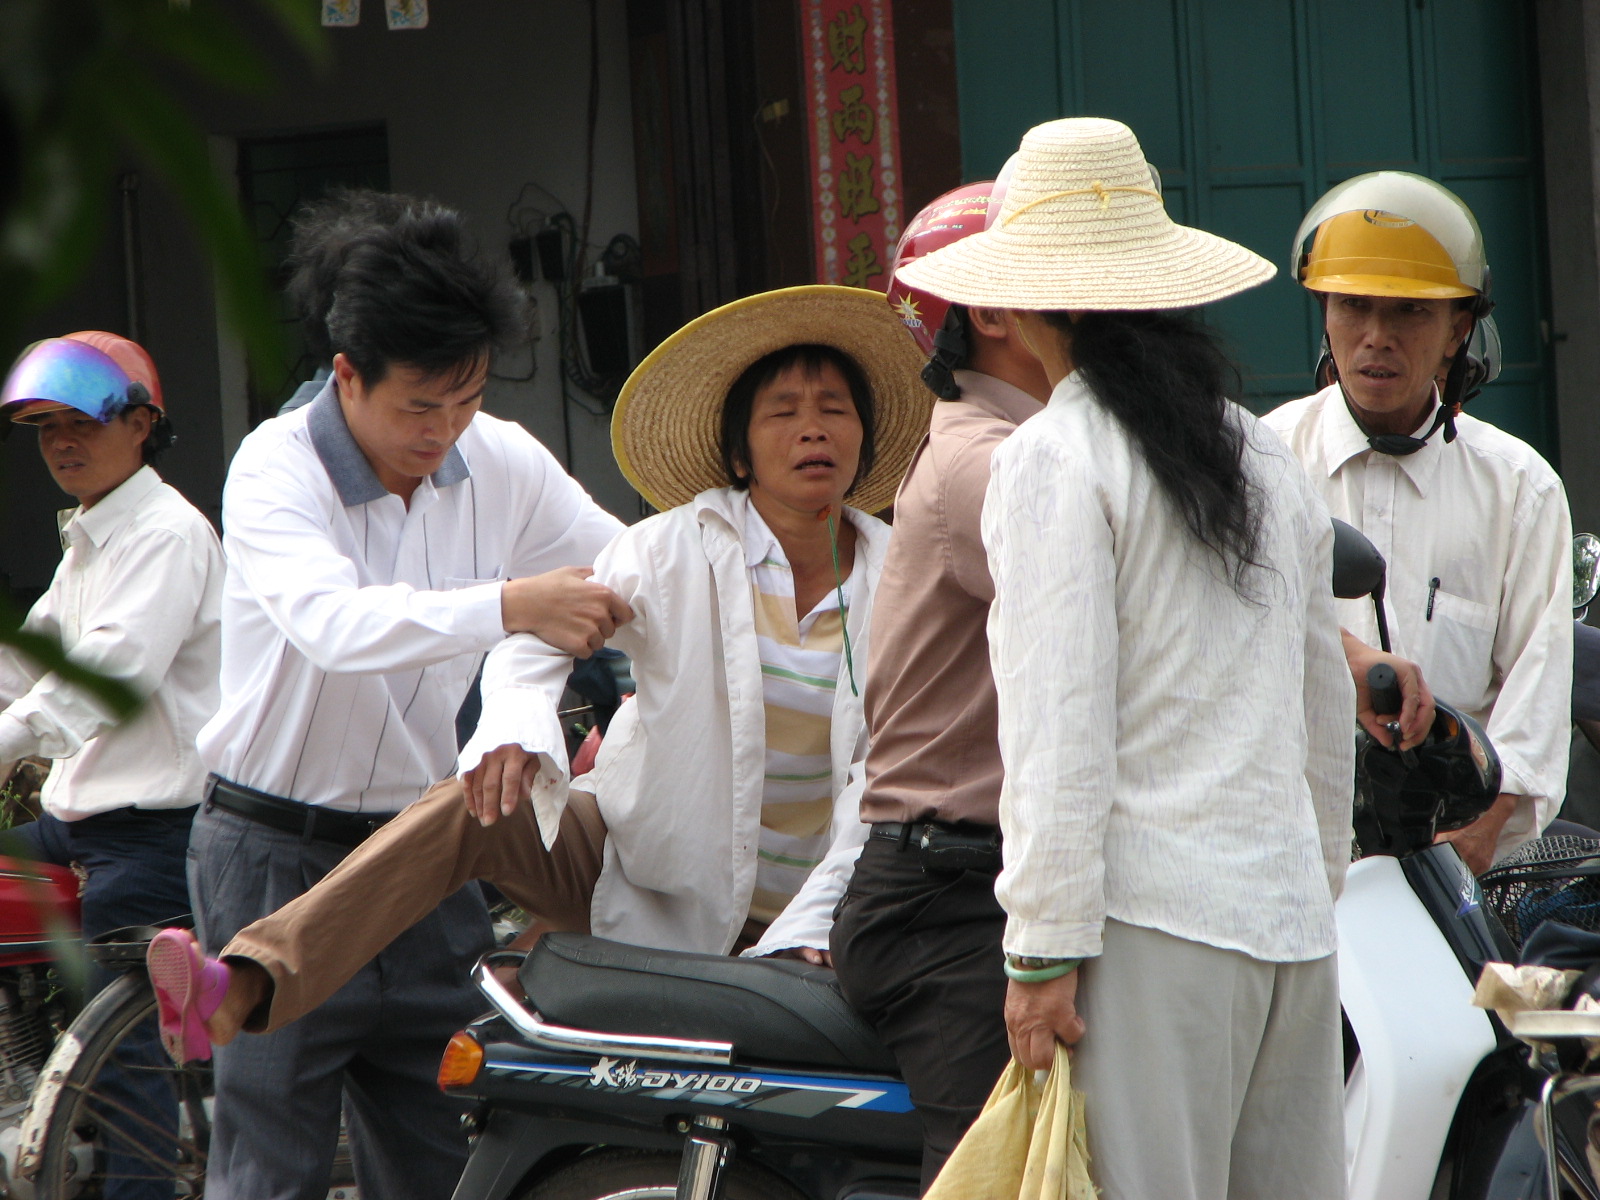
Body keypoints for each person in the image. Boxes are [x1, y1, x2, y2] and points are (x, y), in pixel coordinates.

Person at [151, 286, 930, 1055]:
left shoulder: (907, 581)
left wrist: (809, 925)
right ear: (738, 452)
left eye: (834, 410)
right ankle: (247, 980)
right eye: (783, 412)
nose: (812, 429)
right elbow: (544, 632)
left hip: (823, 907)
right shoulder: (673, 547)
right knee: (472, 803)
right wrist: (518, 725)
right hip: (640, 861)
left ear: (864, 437)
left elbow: (885, 784)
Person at [896, 116, 1352, 1200]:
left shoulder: (1053, 456)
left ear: (1025, 300)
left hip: (1152, 931)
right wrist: (1314, 883)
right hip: (1286, 926)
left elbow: (1058, 723)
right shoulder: (1262, 451)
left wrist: (1041, 951)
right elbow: (1323, 704)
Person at [171, 192, 629, 1200]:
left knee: (453, 1159)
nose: (445, 431)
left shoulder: (498, 456)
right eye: (420, 406)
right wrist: (510, 604)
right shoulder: (274, 468)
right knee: (271, 1170)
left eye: (466, 400)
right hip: (273, 855)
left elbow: (622, 570)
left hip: (428, 852)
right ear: (347, 375)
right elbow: (336, 625)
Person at [829, 180, 1053, 1187]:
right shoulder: (986, 464)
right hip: (948, 900)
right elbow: (1149, 595)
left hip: (971, 877)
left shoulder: (1029, 446)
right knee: (993, 1174)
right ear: (994, 311)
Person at [1264, 172, 1572, 872]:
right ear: (1324, 312)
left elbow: (1536, 694)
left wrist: (1477, 832)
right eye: (1353, 305)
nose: (1377, 337)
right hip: (1287, 857)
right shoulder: (1262, 463)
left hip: (1451, 861)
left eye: (1409, 311)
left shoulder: (1519, 490)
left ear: (1459, 329)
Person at [0, 330, 223, 1199]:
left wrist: (7, 740)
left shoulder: (165, 534)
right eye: (46, 427)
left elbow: (104, 678)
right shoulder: (95, 537)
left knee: (124, 1070)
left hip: (151, 837)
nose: (61, 443)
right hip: (81, 822)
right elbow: (28, 662)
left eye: (82, 423)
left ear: (142, 425)